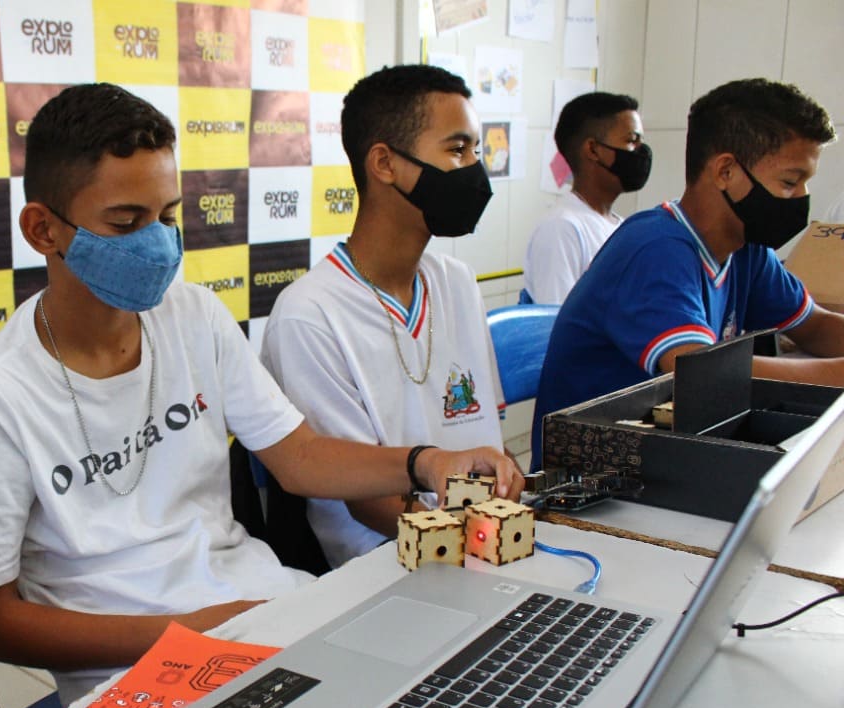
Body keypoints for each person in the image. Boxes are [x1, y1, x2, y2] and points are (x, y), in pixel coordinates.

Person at [0, 83, 522, 706]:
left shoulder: (194, 317)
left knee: (444, 687)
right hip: (132, 668)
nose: (158, 243)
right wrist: (186, 633)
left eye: (166, 217)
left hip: (263, 613)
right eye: (126, 223)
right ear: (43, 230)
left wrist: (424, 461)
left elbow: (300, 457)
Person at [259, 64, 522, 569]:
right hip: (388, 563)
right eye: (456, 149)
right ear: (384, 163)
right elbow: (368, 504)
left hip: (482, 548)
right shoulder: (309, 315)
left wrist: (512, 510)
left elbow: (493, 446)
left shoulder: (457, 283)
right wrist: (477, 540)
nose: (473, 168)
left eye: (474, 152)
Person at [531, 78, 844, 464]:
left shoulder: (747, 250)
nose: (801, 199)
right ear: (726, 171)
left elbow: (814, 325)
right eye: (790, 182)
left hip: (668, 454)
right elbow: (698, 372)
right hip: (593, 476)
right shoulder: (655, 249)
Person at [522, 92, 650, 305]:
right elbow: (555, 324)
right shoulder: (561, 229)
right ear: (593, 149)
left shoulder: (621, 226)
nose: (641, 151)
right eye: (631, 140)